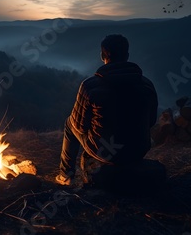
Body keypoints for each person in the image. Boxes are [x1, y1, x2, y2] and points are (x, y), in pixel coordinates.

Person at [56, 34, 158, 186]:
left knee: (70, 123)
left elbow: (79, 126)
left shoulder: (90, 86)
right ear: (127, 55)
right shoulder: (146, 84)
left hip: (104, 153)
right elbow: (151, 122)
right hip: (138, 150)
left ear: (103, 55)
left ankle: (66, 176)